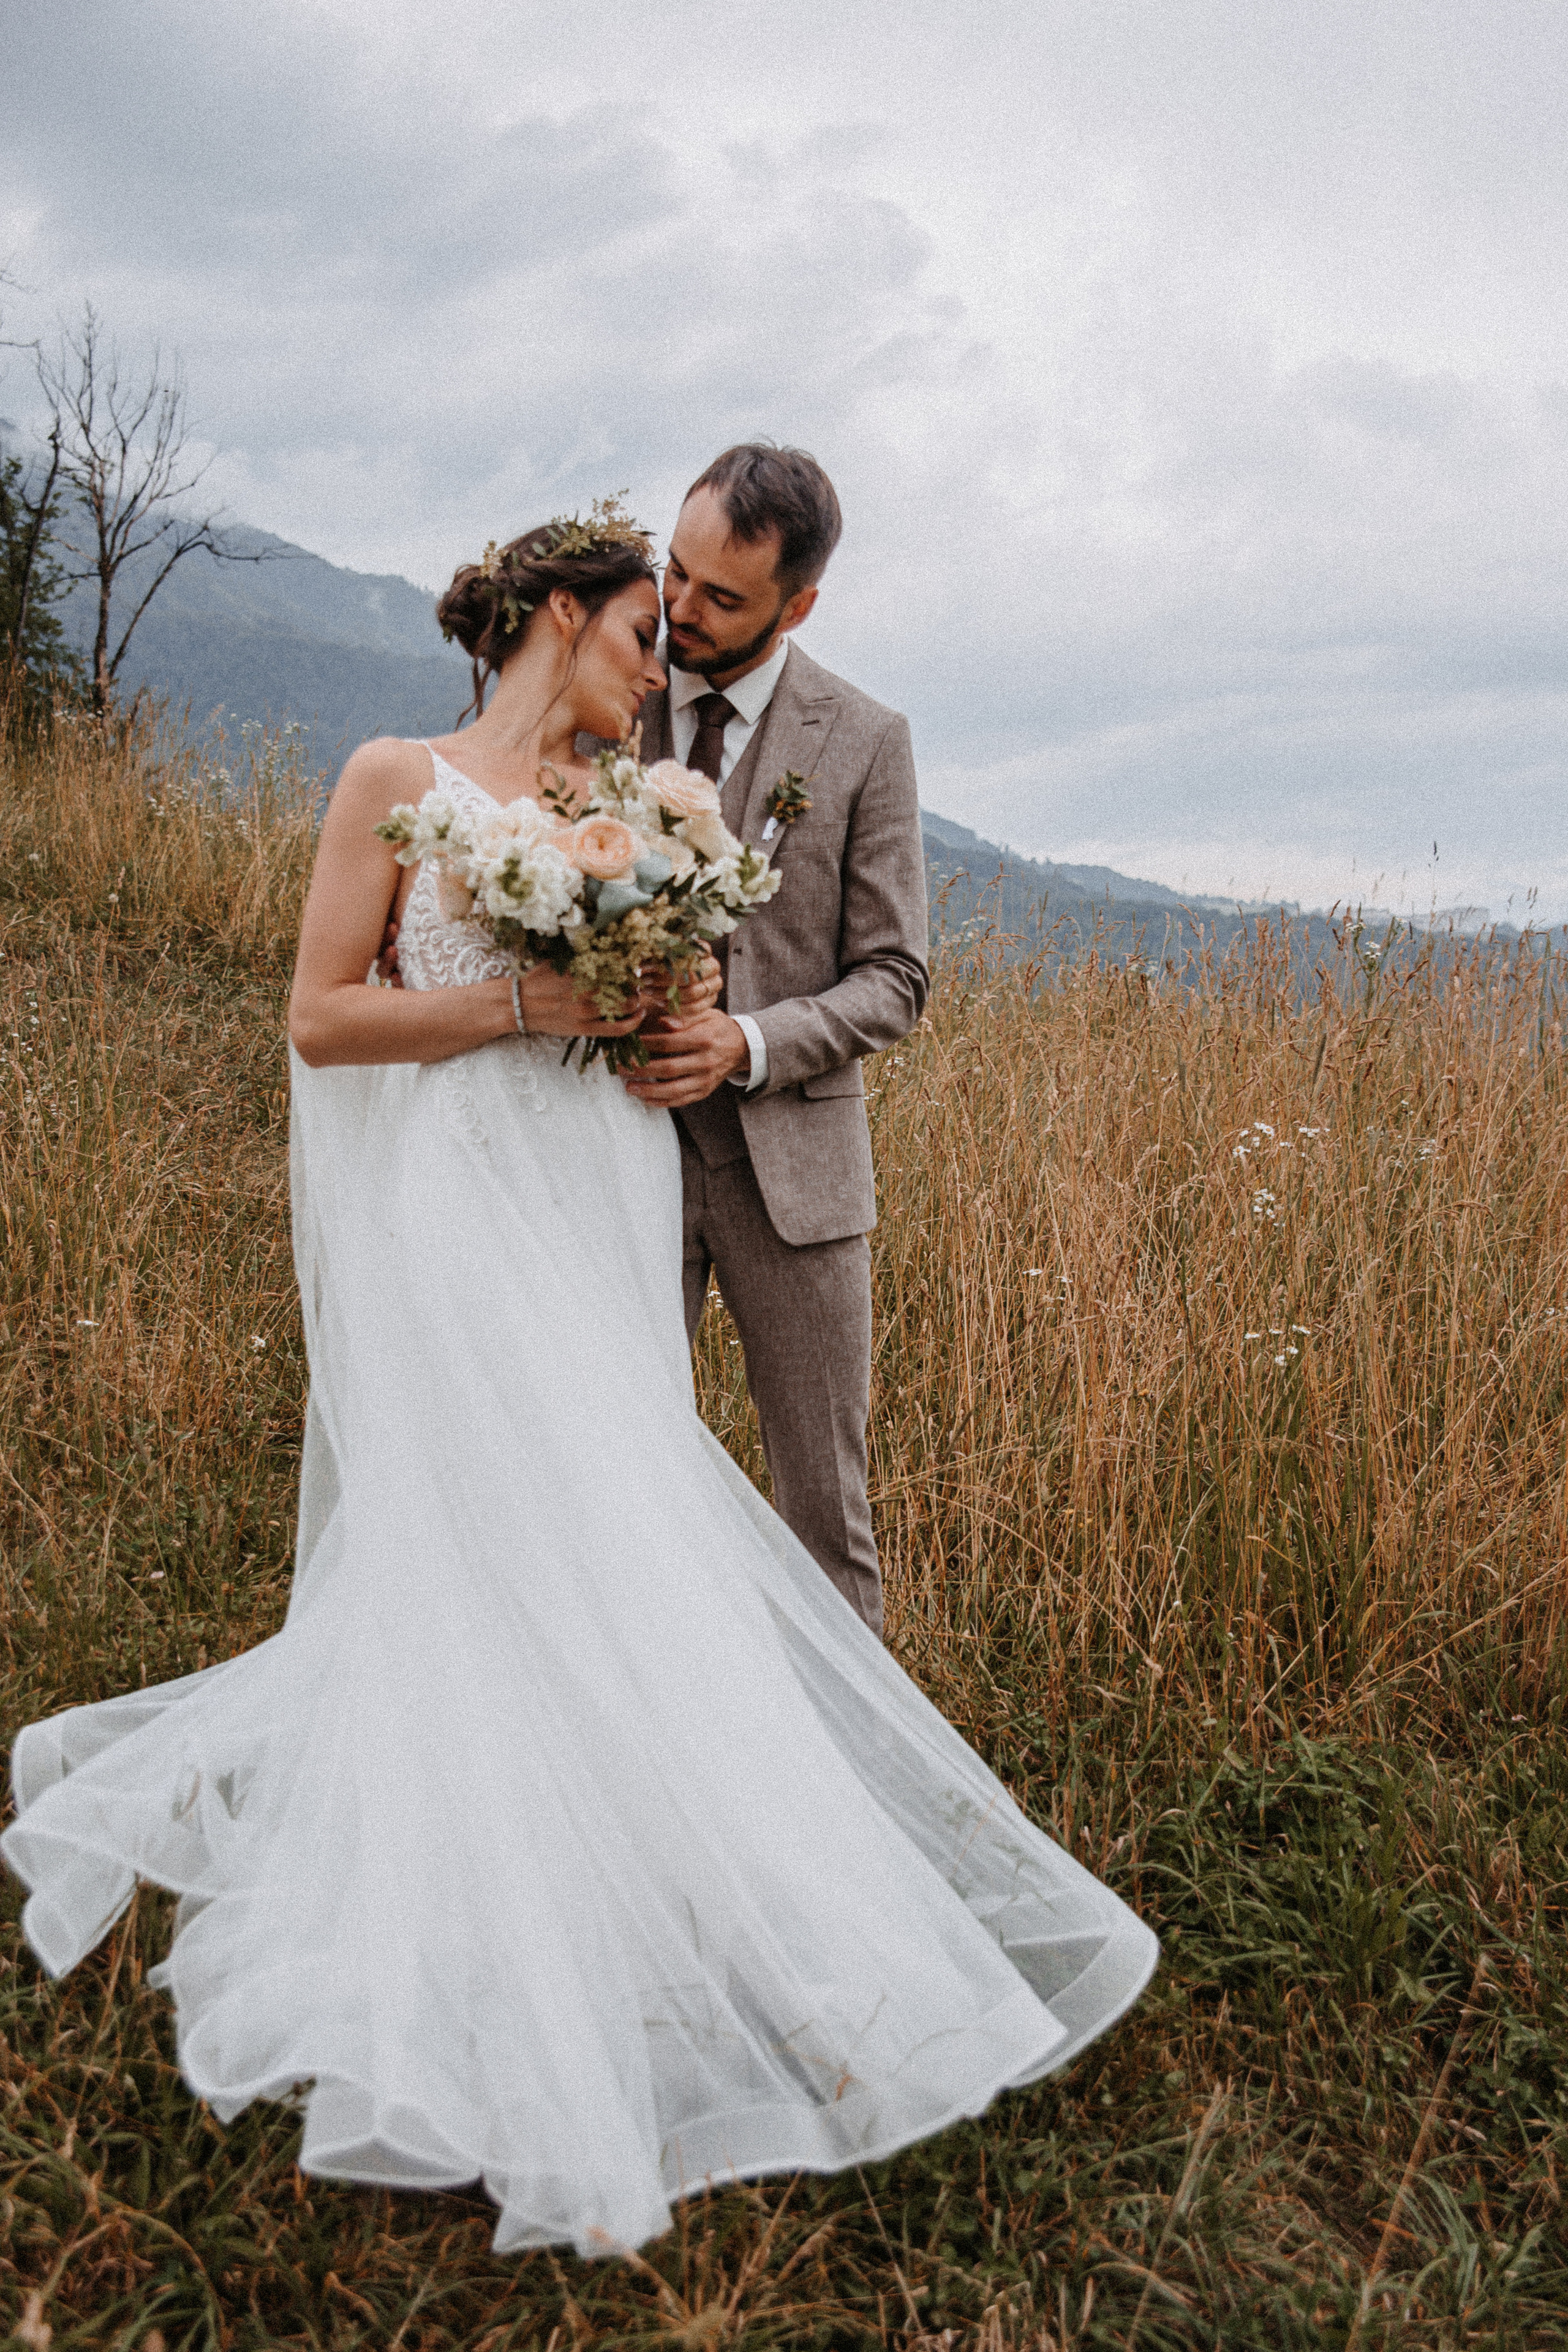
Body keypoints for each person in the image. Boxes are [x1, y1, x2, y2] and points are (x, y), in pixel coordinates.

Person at [2, 508, 1157, 2262]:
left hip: (598, 1204)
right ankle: (472, 1954)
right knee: (480, 1538)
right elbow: (321, 1016)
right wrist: (526, 1003)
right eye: (641, 633)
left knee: (607, 1533)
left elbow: (671, 999)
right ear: (559, 620)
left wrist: (670, 986)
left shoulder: (619, 823)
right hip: (457, 1212)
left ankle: (659, 1895)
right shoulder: (400, 774)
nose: (663, 662)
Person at [610, 445, 927, 1639]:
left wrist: (743, 1041)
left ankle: (845, 1805)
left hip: (795, 1183)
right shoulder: (608, 695)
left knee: (821, 1517)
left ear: (797, 605)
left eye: (721, 598)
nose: (679, 611)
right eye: (674, 572)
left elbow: (895, 979)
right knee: (611, 1481)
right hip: (613, 1158)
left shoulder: (863, 739)